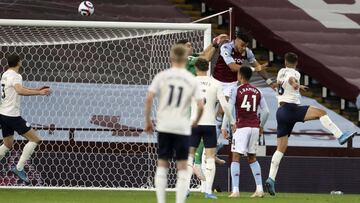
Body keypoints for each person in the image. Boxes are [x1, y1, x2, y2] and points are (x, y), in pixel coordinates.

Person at [265, 52, 356, 196]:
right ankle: (340, 136)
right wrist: (296, 84)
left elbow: (281, 83)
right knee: (322, 113)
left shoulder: (280, 72)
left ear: (285, 62)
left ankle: (271, 178)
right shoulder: (294, 73)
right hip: (291, 109)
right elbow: (291, 79)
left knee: (280, 148)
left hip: (280, 112)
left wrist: (287, 85)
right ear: (296, 63)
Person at [144, 44, 204, 203]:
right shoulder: (192, 79)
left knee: (162, 163)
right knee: (182, 166)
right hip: (182, 127)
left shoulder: (162, 76)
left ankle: (161, 201)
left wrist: (148, 121)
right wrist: (196, 122)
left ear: (171, 58)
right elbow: (200, 105)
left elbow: (149, 98)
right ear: (186, 59)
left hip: (164, 125)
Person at [186, 58, 235, 199]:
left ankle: (185, 189)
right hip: (209, 125)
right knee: (210, 158)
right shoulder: (216, 83)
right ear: (208, 68)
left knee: (189, 157)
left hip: (194, 124)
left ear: (196, 68)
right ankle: (208, 191)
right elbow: (225, 105)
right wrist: (232, 121)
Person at [0, 54, 51, 183]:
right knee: (35, 139)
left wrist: (35, 89)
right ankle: (19, 167)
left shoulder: (5, 74)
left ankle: (19, 167)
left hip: (3, 115)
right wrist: (39, 93)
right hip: (12, 116)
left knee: (7, 144)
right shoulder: (16, 76)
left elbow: (18, 88)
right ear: (19, 62)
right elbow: (19, 90)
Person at [222, 66, 269, 198]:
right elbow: (266, 112)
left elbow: (228, 108)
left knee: (236, 156)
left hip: (241, 127)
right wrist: (261, 126)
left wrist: (225, 126)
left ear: (241, 76)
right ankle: (259, 189)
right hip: (254, 127)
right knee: (252, 158)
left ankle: (235, 190)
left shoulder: (236, 90)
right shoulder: (257, 91)